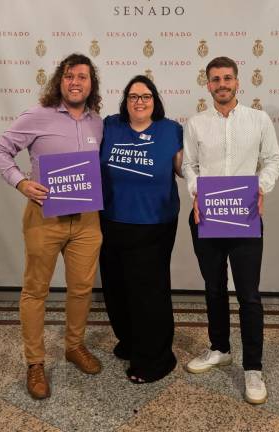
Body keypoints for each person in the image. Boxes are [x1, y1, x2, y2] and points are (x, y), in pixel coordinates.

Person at [0, 53, 104, 400]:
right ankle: (35, 363)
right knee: (35, 291)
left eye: (83, 77)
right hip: (45, 217)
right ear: (59, 81)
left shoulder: (99, 122)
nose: (75, 82)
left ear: (91, 84)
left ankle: (74, 346)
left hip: (86, 220)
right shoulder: (36, 116)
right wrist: (22, 183)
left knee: (82, 289)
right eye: (69, 76)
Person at [181, 56, 279, 404]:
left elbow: (273, 159)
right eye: (215, 79)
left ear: (238, 82)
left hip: (244, 216)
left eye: (227, 78)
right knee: (213, 288)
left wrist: (261, 187)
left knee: (249, 295)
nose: (221, 84)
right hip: (206, 215)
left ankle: (253, 367)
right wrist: (195, 192)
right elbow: (190, 165)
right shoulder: (195, 123)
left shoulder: (259, 120)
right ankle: (219, 348)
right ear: (207, 84)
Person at [99, 75, 183, 384]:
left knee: (149, 293)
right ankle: (131, 340)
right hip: (111, 221)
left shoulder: (170, 130)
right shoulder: (110, 126)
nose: (139, 101)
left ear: (155, 100)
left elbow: (187, 170)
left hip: (154, 225)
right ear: (125, 101)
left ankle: (155, 359)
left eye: (145, 96)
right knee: (116, 288)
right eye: (133, 96)